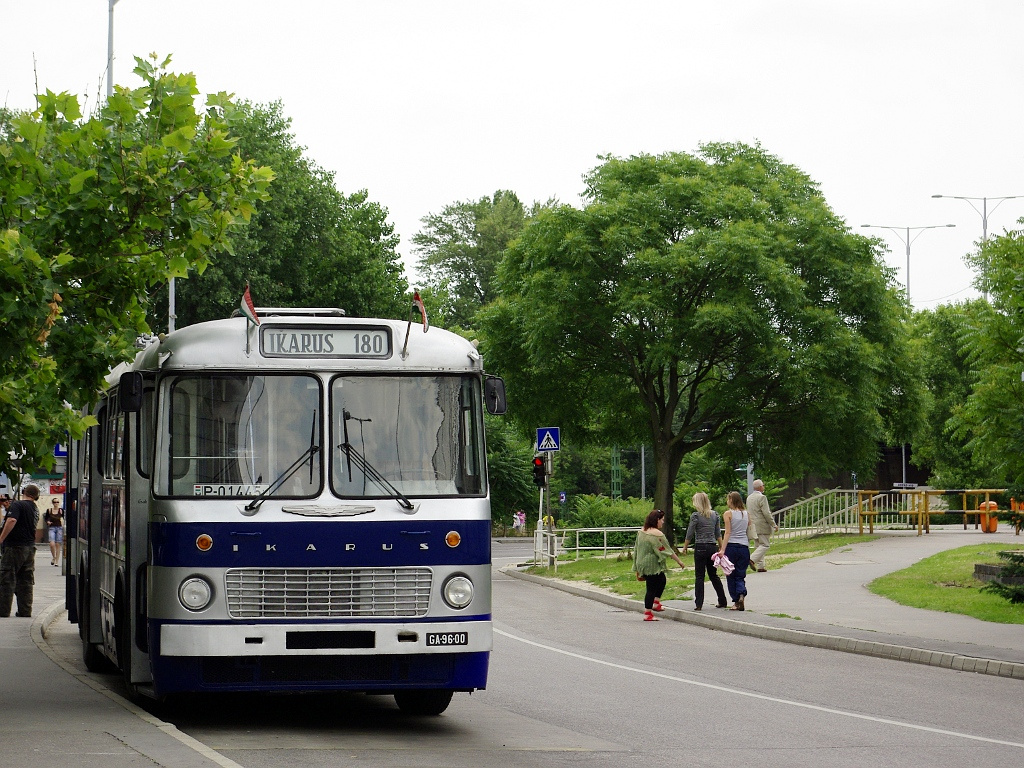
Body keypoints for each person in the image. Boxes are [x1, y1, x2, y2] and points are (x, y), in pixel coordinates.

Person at [632, 508, 685, 621]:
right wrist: (679, 561)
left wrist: (636, 564)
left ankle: (656, 603)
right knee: (651, 588)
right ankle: (648, 613)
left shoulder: (641, 531)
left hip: (642, 563)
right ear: (657, 520)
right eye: (662, 520)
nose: (663, 522)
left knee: (662, 579)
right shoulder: (657, 534)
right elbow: (667, 550)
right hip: (652, 565)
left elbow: (636, 548)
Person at [681, 492, 728, 611]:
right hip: (712, 547)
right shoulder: (715, 515)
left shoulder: (696, 516)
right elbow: (718, 533)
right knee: (713, 575)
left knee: (700, 576)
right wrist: (721, 548)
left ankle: (699, 603)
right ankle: (722, 600)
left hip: (700, 546)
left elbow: (690, 533)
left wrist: (685, 546)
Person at [0, 485, 41, 618]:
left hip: (15, 547)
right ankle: (25, 610)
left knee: (7, 578)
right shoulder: (35, 508)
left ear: (24, 492)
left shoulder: (18, 505)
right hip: (29, 547)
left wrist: (1, 539)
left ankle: (3, 610)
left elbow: (12, 520)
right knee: (25, 581)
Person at [718, 490, 751, 611]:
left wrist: (722, 549)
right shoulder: (746, 513)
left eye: (728, 499)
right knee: (740, 574)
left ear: (731, 500)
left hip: (731, 546)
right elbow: (749, 526)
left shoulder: (728, 514)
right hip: (744, 547)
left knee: (730, 574)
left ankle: (736, 601)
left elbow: (728, 532)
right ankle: (742, 593)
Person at [747, 479, 777, 573]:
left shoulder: (749, 498)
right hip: (762, 524)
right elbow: (766, 513)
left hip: (752, 524)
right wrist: (773, 524)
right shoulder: (762, 497)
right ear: (760, 487)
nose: (764, 487)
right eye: (763, 485)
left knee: (758, 545)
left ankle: (761, 566)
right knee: (765, 545)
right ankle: (752, 559)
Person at [45, 498, 65, 567]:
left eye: (57, 502)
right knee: (52, 544)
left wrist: (63, 524)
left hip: (59, 528)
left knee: (58, 544)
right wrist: (48, 522)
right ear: (52, 503)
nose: (56, 503)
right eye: (55, 502)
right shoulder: (49, 510)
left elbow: (63, 518)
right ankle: (54, 557)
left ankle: (56, 561)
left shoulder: (61, 510)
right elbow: (46, 518)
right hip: (52, 528)